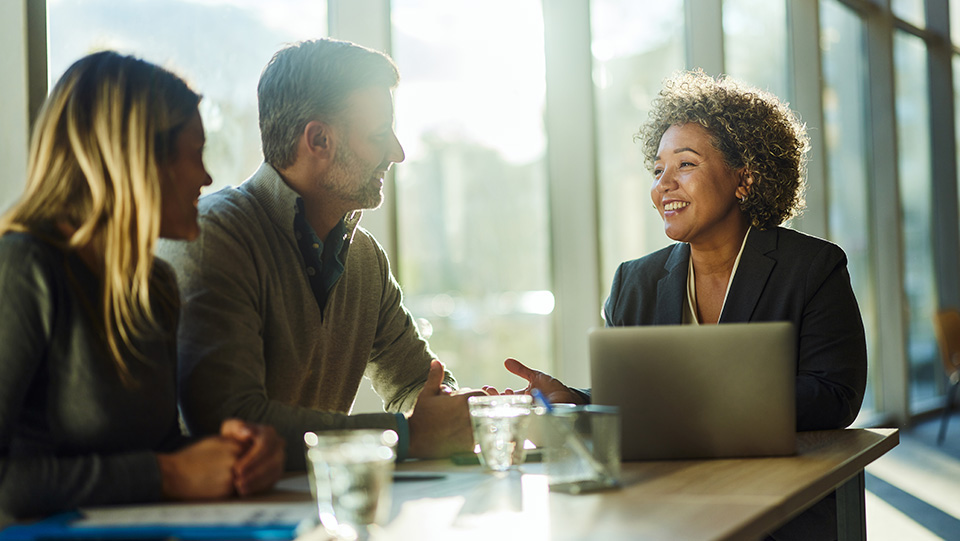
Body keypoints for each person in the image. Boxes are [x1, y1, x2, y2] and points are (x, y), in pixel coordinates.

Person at [489, 70, 867, 540]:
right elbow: (631, 401)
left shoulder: (812, 267)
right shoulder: (635, 281)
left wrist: (698, 403)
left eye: (685, 165)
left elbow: (836, 396)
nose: (663, 185)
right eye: (657, 169)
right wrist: (578, 402)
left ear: (744, 177)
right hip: (662, 504)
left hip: (781, 507)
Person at [157, 38, 479, 470]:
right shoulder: (215, 236)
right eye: (379, 135)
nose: (396, 153)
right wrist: (406, 435)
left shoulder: (365, 259)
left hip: (317, 517)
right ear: (319, 139)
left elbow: (418, 385)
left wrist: (460, 409)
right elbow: (229, 421)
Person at [0, 51, 285, 524]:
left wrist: (239, 457)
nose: (207, 178)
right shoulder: (24, 267)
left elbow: (155, 449)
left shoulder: (155, 286)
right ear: (137, 160)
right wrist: (168, 475)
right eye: (195, 154)